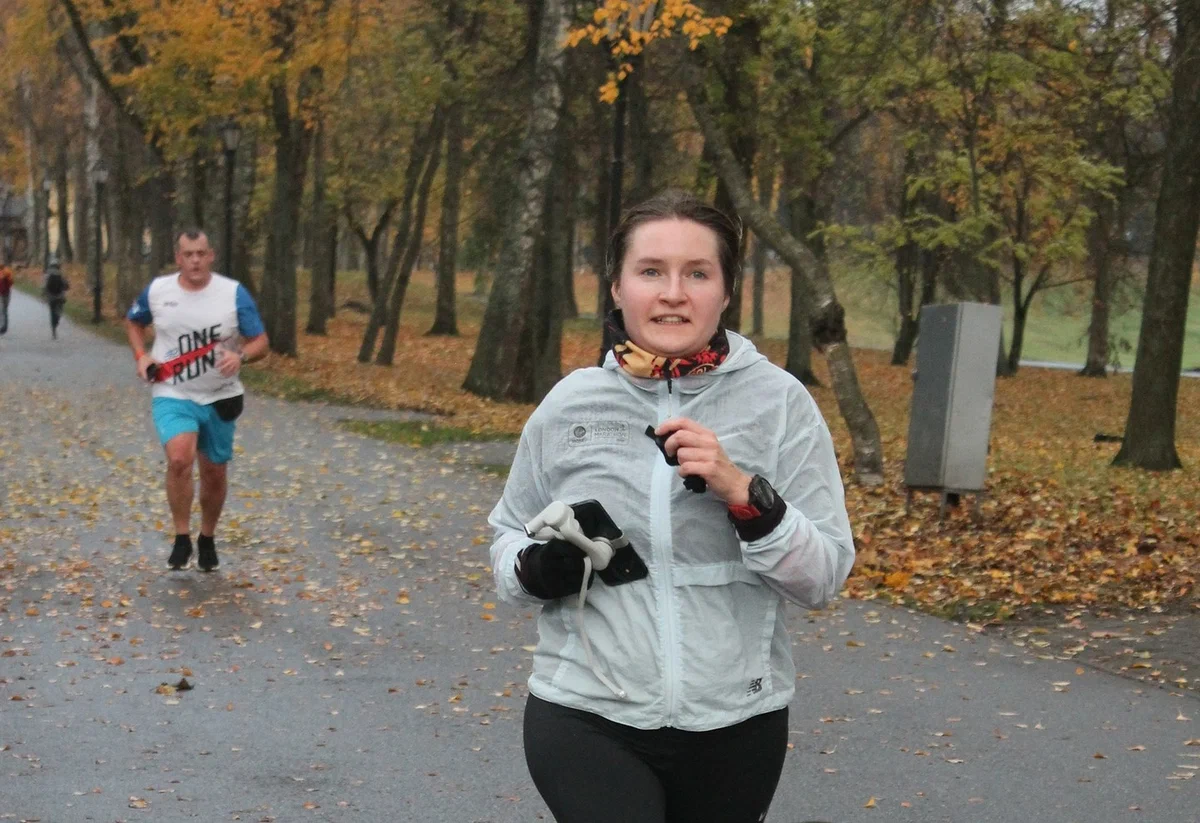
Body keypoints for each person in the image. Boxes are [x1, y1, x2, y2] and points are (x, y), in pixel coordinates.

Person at [488, 190, 856, 823]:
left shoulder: (780, 402)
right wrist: (535, 568)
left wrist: (748, 497)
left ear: (726, 290)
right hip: (585, 711)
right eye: (651, 271)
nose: (673, 293)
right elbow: (505, 540)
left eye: (697, 273)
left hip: (736, 721)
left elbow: (823, 576)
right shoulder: (570, 403)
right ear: (617, 287)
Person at [125, 229, 269, 571]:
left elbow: (261, 341)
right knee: (179, 459)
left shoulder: (233, 293)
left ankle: (207, 537)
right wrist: (141, 356)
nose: (195, 261)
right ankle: (181, 536)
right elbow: (133, 323)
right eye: (188, 254)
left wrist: (242, 357)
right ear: (178, 257)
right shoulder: (159, 291)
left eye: (201, 253)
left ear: (211, 255)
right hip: (173, 391)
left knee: (214, 471)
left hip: (220, 395)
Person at [43, 257, 68, 339]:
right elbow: (65, 285)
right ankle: (56, 321)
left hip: (51, 297)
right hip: (59, 296)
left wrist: (44, 294)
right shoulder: (61, 273)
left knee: (52, 312)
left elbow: (44, 286)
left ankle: (53, 328)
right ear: (58, 265)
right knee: (59, 311)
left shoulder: (47, 274)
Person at [0, 261, 12, 334]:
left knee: (1, 310)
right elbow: (11, 282)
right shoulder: (8, 272)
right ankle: (5, 326)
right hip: (7, 293)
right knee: (5, 310)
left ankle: (2, 327)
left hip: (1, 294)